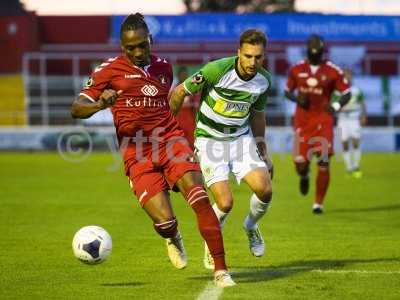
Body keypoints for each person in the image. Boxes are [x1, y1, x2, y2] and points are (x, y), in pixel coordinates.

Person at [70, 13, 235, 287]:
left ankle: (221, 270)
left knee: (199, 199)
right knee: (165, 223)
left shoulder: (164, 68)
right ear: (122, 47)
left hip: (171, 142)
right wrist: (100, 104)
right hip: (137, 154)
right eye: (129, 48)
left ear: (150, 41)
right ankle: (173, 236)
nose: (136, 52)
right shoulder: (107, 71)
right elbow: (76, 108)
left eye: (141, 45)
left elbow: (163, 104)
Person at [170, 29, 273, 269]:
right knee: (225, 203)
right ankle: (212, 241)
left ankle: (251, 226)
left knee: (265, 189)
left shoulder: (263, 81)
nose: (252, 62)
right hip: (210, 141)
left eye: (258, 57)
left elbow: (258, 116)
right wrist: (168, 134)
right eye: (248, 56)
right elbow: (179, 92)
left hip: (241, 140)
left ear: (263, 56)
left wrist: (263, 152)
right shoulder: (217, 70)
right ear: (239, 52)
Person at [284, 34, 351, 214]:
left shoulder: (332, 70)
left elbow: (347, 93)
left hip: (323, 121)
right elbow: (287, 91)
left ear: (322, 52)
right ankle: (304, 175)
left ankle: (318, 204)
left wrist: (335, 105)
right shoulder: (297, 69)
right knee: (301, 164)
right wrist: (298, 98)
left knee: (323, 162)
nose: (316, 55)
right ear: (308, 52)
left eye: (319, 53)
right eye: (313, 53)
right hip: (302, 122)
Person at [336, 69, 367, 178]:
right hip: (342, 119)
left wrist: (363, 115)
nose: (347, 77)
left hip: (354, 118)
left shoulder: (356, 90)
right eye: (345, 75)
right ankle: (349, 168)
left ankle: (356, 167)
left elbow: (362, 103)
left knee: (355, 142)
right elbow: (334, 105)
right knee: (344, 144)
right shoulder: (337, 91)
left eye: (349, 75)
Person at [171, 66, 200, 149]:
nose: (184, 77)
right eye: (182, 75)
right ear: (178, 76)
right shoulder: (174, 89)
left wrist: (196, 121)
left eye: (185, 75)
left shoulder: (191, 89)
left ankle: (192, 157)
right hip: (177, 119)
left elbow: (195, 107)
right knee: (177, 140)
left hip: (189, 119)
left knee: (191, 140)